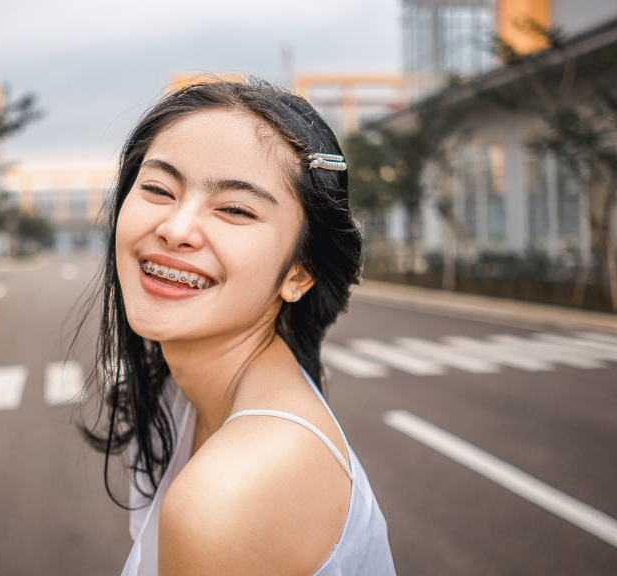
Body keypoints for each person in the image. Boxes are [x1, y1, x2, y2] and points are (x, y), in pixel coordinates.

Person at [83, 78, 396, 576]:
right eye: (159, 189)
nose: (176, 228)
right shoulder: (183, 395)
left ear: (299, 272)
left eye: (234, 209)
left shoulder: (228, 495)